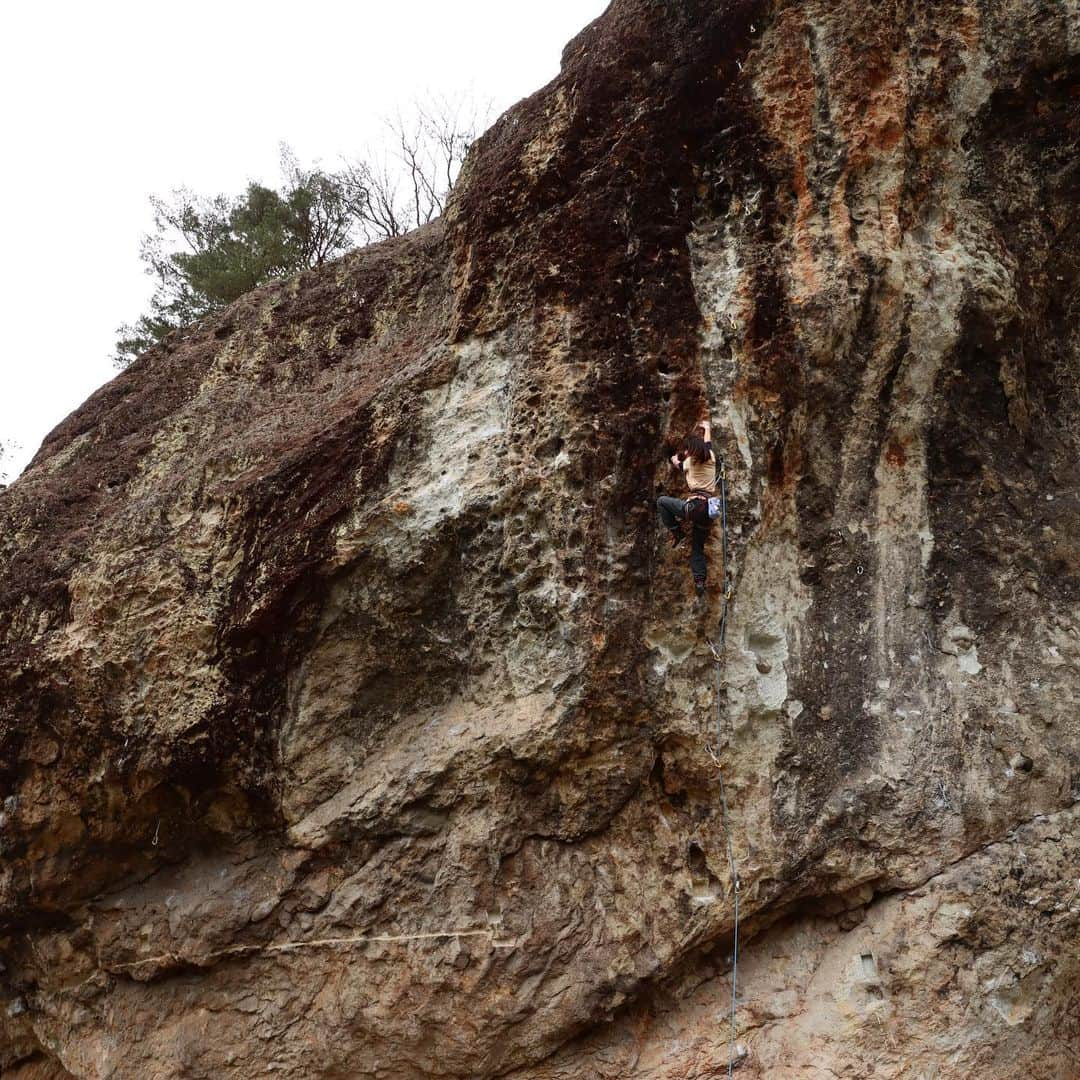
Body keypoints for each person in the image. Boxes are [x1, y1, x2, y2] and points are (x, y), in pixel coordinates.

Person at [657, 416, 717, 598]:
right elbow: (707, 445)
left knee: (662, 502)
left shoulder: (690, 462)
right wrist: (706, 427)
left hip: (694, 507)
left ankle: (677, 531)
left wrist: (674, 457)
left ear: (691, 451)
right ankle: (699, 580)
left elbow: (677, 463)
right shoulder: (711, 458)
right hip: (708, 511)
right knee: (697, 548)